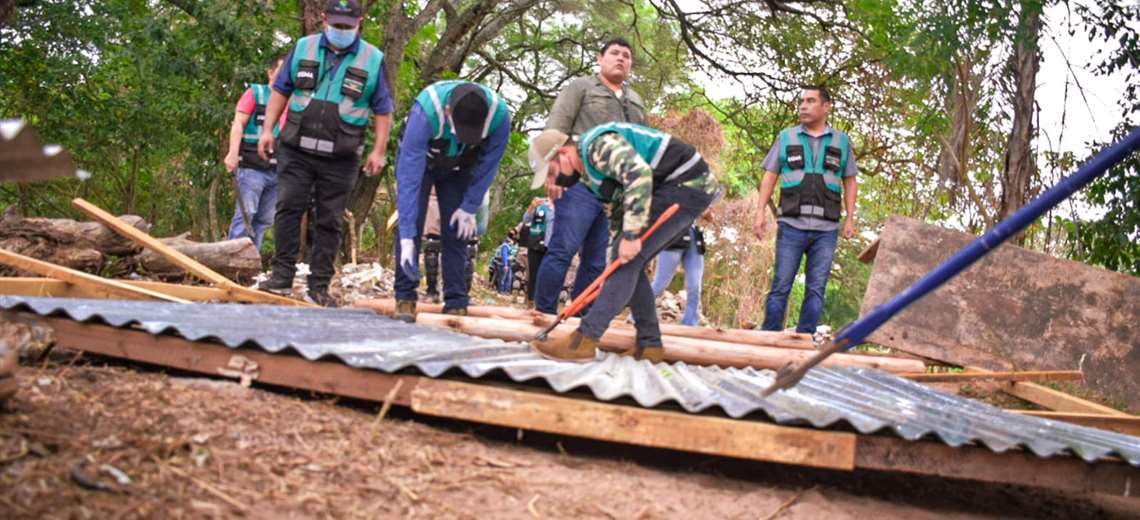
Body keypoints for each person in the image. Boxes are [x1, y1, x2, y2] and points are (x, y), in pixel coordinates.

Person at [527, 122, 721, 362]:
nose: (553, 181)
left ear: (563, 153)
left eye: (552, 173)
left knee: (626, 258)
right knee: (626, 260)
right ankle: (650, 345)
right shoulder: (590, 174)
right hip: (674, 188)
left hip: (687, 183)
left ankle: (584, 339)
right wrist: (622, 242)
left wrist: (630, 236)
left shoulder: (597, 146)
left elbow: (638, 175)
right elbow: (619, 207)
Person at [257, 0, 392, 307]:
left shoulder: (373, 59)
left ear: (360, 22)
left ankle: (319, 286)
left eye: (347, 26)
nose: (341, 31)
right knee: (288, 208)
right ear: (324, 19)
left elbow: (383, 109)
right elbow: (281, 89)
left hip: (341, 155)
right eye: (336, 25)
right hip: (296, 148)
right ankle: (281, 277)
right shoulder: (304, 47)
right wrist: (268, 130)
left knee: (330, 220)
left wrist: (379, 150)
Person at [531, 37, 646, 316]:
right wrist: (552, 172)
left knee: (595, 262)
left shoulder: (635, 100)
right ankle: (543, 314)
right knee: (562, 249)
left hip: (614, 192)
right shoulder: (581, 87)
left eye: (626, 55)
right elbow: (556, 127)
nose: (621, 58)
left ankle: (579, 319)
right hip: (579, 184)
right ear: (600, 58)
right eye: (615, 53)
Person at [391, 80, 511, 322]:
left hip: (460, 168)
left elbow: (488, 165)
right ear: (448, 112)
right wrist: (405, 232)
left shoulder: (500, 117)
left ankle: (456, 300)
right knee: (412, 227)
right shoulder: (426, 112)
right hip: (422, 164)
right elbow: (408, 179)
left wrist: (469, 206)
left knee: (457, 232)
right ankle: (405, 297)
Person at [753, 85, 858, 334]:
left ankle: (804, 340)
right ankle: (768, 340)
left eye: (811, 101)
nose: (803, 105)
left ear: (826, 107)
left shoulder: (841, 141)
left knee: (816, 288)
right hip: (791, 225)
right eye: (802, 101)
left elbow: (850, 180)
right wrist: (759, 212)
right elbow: (770, 175)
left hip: (827, 229)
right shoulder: (786, 137)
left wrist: (850, 218)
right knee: (781, 285)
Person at [222, 55, 286, 250]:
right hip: (252, 167)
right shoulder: (256, 93)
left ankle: (250, 262)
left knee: (265, 220)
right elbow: (238, 124)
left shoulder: (293, 101)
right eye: (280, 71)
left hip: (279, 170)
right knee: (246, 214)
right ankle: (231, 260)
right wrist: (232, 153)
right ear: (270, 72)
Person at [649, 222, 707, 326]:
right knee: (660, 283)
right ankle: (634, 317)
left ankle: (690, 324)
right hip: (672, 231)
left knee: (695, 286)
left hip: (693, 233)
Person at [518, 197, 553, 304]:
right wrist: (532, 206)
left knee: (550, 275)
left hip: (553, 246)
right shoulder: (540, 205)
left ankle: (545, 303)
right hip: (536, 244)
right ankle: (531, 301)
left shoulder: (564, 205)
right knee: (534, 274)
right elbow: (526, 220)